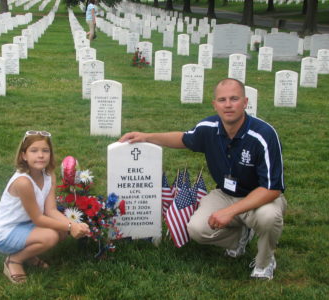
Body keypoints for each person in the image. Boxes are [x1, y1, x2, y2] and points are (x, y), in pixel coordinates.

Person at [119, 78, 287, 280]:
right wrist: (147, 136)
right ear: (214, 104)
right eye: (222, 99)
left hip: (259, 197)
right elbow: (183, 139)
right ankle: (240, 237)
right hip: (225, 193)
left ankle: (264, 262)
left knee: (268, 217)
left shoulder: (264, 135)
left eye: (234, 99)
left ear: (245, 102)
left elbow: (272, 189)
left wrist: (229, 212)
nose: (228, 104)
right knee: (197, 229)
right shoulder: (209, 127)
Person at [0, 131, 90, 284]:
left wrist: (73, 226)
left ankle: (28, 253)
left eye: (45, 150)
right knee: (51, 236)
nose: (41, 155)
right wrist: (71, 226)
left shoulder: (49, 174)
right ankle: (14, 260)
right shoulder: (23, 182)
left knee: (61, 232)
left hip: (27, 222)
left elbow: (50, 210)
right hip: (6, 232)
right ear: (24, 155)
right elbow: (38, 218)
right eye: (34, 151)